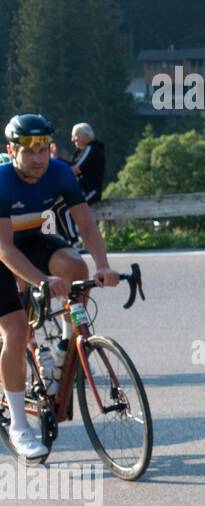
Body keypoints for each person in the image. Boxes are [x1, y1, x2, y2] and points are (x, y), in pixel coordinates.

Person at [0, 114, 120, 459]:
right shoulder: (3, 181)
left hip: (32, 239)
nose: (38, 158)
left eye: (43, 149)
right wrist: (41, 280)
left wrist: (104, 266)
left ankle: (64, 350)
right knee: (16, 329)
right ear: (11, 150)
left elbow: (85, 221)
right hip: (2, 248)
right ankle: (20, 426)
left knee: (75, 267)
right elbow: (5, 249)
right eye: (28, 150)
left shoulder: (59, 172)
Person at [53, 122, 106, 246]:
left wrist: (55, 162)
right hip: (80, 190)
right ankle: (66, 240)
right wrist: (56, 160)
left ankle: (75, 242)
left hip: (90, 191)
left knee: (66, 210)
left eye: (75, 136)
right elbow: (71, 169)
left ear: (84, 135)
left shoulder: (92, 148)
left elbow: (74, 169)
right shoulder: (79, 153)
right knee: (56, 210)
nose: (72, 139)